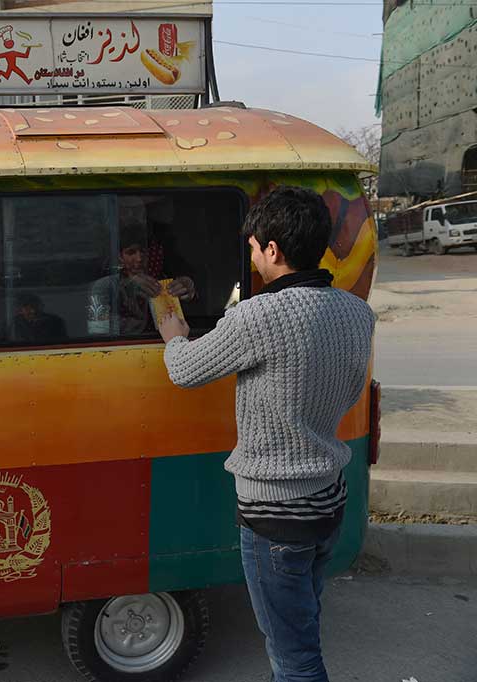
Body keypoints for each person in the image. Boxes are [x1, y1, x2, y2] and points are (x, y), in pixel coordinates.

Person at [159, 186, 375, 682]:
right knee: (301, 624)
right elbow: (341, 391)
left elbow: (186, 371)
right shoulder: (356, 312)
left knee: (294, 658)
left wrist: (175, 337)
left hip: (275, 514)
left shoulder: (259, 316)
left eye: (254, 247)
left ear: (273, 249)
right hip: (327, 500)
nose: (252, 256)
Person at [87, 223, 195, 337]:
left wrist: (188, 290)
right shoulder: (103, 287)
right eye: (131, 252)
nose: (139, 258)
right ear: (120, 257)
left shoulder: (164, 284)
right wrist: (129, 286)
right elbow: (98, 329)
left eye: (143, 251)